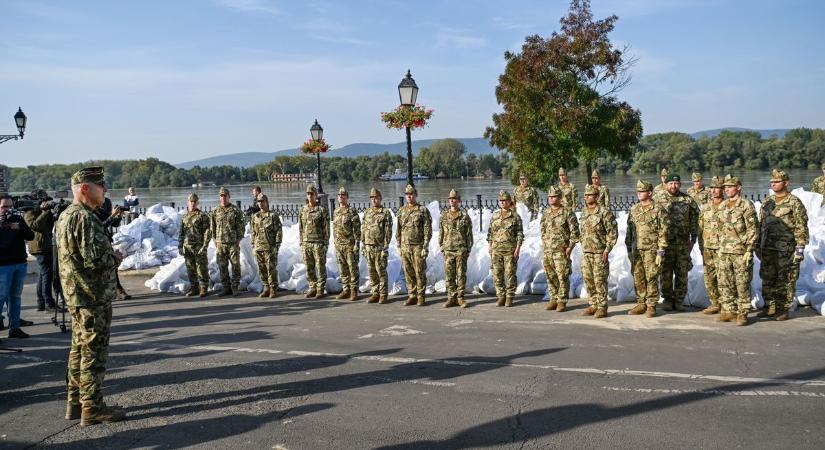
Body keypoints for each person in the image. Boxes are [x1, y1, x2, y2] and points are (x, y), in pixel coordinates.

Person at [56, 166, 125, 425]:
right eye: (101, 185)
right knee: (93, 354)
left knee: (78, 350)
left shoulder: (66, 215)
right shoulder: (84, 217)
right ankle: (92, 408)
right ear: (85, 188)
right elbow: (94, 260)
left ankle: (75, 403)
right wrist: (115, 257)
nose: (105, 190)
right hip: (91, 297)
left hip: (77, 296)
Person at [758, 169, 808, 321]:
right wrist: (758, 245)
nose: (773, 184)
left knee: (785, 279)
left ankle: (783, 309)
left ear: (786, 183)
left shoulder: (794, 202)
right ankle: (770, 307)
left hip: (786, 249)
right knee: (767, 278)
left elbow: (801, 226)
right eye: (771, 182)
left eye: (776, 182)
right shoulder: (767, 202)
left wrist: (800, 247)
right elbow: (761, 224)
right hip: (767, 248)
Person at [717, 175, 759, 326]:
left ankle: (743, 312)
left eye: (729, 186)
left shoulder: (746, 205)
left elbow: (753, 229)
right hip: (724, 251)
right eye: (725, 187)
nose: (726, 189)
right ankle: (729, 310)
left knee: (742, 283)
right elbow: (720, 228)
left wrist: (749, 249)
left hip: (741, 251)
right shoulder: (723, 206)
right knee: (724, 282)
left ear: (739, 187)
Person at [625, 180, 668, 318]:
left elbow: (663, 231)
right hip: (636, 249)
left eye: (642, 191)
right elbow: (629, 231)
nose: (639, 193)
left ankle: (651, 305)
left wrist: (661, 251)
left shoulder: (658, 209)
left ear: (649, 193)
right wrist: (629, 249)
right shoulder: (634, 209)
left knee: (651, 277)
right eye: (638, 191)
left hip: (652, 250)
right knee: (638, 277)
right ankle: (641, 303)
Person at [657, 173, 699, 312]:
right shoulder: (658, 199)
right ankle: (667, 299)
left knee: (682, 272)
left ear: (680, 185)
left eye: (676, 184)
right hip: (665, 242)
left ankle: (679, 300)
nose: (673, 186)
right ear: (666, 184)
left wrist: (693, 238)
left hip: (682, 242)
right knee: (666, 271)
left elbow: (695, 219)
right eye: (670, 184)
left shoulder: (687, 200)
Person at [579, 185, 618, 319]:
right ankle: (593, 304)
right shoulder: (584, 212)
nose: (586, 197)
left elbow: (612, 233)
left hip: (599, 252)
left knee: (599, 280)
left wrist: (608, 249)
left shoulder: (604, 212)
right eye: (585, 195)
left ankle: (602, 307)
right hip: (587, 252)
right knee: (588, 279)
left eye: (589, 195)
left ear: (596, 197)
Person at [540, 185, 579, 312]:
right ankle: (553, 298)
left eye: (554, 197)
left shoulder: (567, 212)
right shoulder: (546, 213)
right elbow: (543, 229)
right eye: (550, 197)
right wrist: (545, 243)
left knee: (562, 275)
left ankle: (562, 301)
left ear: (560, 197)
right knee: (550, 276)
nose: (551, 199)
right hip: (548, 250)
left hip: (561, 250)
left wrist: (570, 247)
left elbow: (575, 232)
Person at [0, 194, 35, 339]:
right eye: (4, 206)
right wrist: (6, 228)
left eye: (10, 206)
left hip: (20, 263)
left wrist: (19, 228)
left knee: (15, 297)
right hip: (3, 266)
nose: (7, 209)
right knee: (1, 298)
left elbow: (31, 236)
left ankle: (14, 328)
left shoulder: (17, 219)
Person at [23, 190, 60, 311]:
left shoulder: (44, 211)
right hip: (40, 247)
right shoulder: (29, 212)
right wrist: (44, 212)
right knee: (47, 276)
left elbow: (50, 225)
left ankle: (41, 303)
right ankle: (49, 303)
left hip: (46, 245)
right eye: (43, 201)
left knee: (42, 275)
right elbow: (34, 226)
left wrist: (55, 212)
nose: (45, 203)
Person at [397, 184, 433, 306]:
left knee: (419, 272)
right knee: (408, 272)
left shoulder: (422, 210)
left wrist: (426, 245)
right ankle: (412, 295)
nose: (409, 196)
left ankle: (421, 296)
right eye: (407, 195)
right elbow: (398, 229)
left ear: (416, 195)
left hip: (418, 246)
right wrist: (398, 245)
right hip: (405, 246)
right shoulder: (402, 211)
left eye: (411, 194)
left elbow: (427, 229)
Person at [488, 190, 523, 307]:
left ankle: (509, 296)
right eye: (501, 201)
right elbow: (490, 233)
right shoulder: (495, 216)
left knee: (510, 273)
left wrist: (518, 248)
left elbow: (519, 234)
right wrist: (490, 246)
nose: (503, 203)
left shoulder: (515, 217)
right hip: (496, 249)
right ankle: (501, 296)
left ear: (509, 202)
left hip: (510, 250)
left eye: (505, 201)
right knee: (497, 273)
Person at [439, 189, 473, 308]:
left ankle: (460, 298)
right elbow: (441, 233)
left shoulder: (464, 216)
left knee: (461, 275)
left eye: (455, 199)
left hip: (460, 250)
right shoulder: (444, 216)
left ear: (459, 201)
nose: (452, 201)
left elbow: (469, 234)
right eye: (450, 199)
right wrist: (442, 248)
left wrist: (468, 249)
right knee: (449, 275)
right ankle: (451, 298)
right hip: (448, 249)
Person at [697, 176, 726, 315]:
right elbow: (700, 228)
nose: (714, 191)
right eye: (712, 188)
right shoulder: (705, 207)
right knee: (709, 277)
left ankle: (726, 304)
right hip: (708, 247)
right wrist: (700, 246)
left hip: (724, 248)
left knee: (724, 277)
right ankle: (715, 303)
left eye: (717, 188)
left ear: (723, 190)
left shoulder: (727, 206)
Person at [94, 195, 130, 300]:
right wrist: (112, 215)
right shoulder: (90, 210)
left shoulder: (106, 203)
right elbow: (100, 227)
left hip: (106, 240)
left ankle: (118, 289)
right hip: (96, 243)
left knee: (112, 266)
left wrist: (118, 215)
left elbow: (115, 224)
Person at [211, 187, 245, 296]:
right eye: (221, 196)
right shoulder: (215, 211)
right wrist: (215, 241)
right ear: (219, 197)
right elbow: (213, 227)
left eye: (225, 196)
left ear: (229, 197)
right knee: (222, 266)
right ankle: (226, 288)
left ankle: (235, 287)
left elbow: (241, 226)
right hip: (220, 243)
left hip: (233, 243)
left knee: (235, 265)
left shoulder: (235, 210)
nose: (223, 198)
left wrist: (238, 239)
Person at [362, 188, 393, 304]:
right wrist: (363, 244)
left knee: (381, 271)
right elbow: (363, 228)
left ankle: (383, 294)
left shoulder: (385, 212)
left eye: (376, 198)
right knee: (371, 271)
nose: (374, 200)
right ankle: (375, 293)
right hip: (369, 246)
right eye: (372, 198)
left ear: (380, 199)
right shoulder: (367, 212)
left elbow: (388, 231)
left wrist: (385, 247)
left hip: (380, 247)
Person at [299, 184, 330, 299]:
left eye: (312, 194)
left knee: (320, 266)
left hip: (318, 243)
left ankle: (320, 289)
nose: (310, 196)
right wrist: (301, 242)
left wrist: (325, 243)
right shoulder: (303, 210)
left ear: (316, 195)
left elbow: (326, 228)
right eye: (308, 194)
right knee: (308, 266)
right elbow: (301, 228)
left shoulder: (321, 210)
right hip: (306, 243)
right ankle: (312, 287)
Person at [178, 193, 211, 298]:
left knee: (201, 268)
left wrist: (204, 246)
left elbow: (207, 232)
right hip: (187, 247)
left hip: (199, 247)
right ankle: (194, 288)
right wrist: (180, 245)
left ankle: (204, 287)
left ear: (197, 203)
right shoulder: (184, 217)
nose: (192, 204)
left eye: (194, 202)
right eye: (191, 202)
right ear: (187, 203)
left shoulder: (202, 216)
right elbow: (181, 233)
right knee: (190, 269)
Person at [251, 193, 283, 298]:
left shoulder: (273, 216)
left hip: (270, 247)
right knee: (262, 269)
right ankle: (266, 288)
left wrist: (277, 245)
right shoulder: (255, 216)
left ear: (267, 202)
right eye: (259, 202)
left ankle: (273, 288)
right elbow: (253, 232)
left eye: (262, 201)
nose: (260, 204)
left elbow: (278, 231)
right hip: (259, 247)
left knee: (271, 268)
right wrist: (253, 245)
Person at [332, 187, 361, 301]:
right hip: (339, 245)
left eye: (343, 195)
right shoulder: (336, 211)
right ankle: (346, 289)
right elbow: (334, 228)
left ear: (347, 197)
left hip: (349, 244)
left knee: (352, 268)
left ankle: (354, 290)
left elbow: (357, 229)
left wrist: (357, 244)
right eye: (339, 195)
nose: (341, 197)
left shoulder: (351, 211)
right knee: (342, 268)